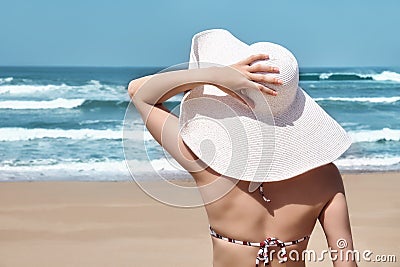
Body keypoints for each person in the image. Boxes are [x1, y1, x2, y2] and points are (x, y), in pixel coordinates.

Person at [127, 29, 357, 267]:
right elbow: (345, 262)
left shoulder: (205, 163)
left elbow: (139, 92)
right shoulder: (326, 178)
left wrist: (216, 75)